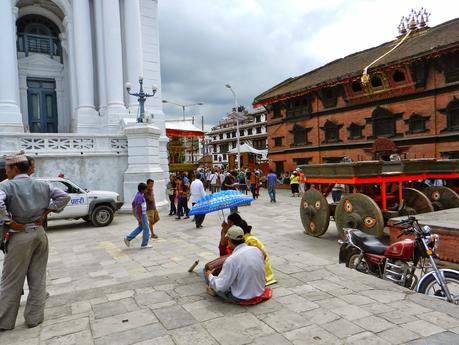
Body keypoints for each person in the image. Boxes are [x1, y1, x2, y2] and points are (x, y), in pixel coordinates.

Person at [0, 152, 70, 331]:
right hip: (39, 233)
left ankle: (4, 322)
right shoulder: (43, 185)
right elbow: (63, 197)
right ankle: (34, 318)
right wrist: (48, 211)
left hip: (19, 235)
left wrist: (8, 220)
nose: (5, 171)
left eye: (7, 168)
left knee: (10, 280)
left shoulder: (7, 187)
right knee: (38, 278)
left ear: (14, 168)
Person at [204, 227, 265, 303]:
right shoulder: (256, 250)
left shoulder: (231, 260)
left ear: (229, 241)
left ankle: (213, 290)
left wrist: (209, 276)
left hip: (242, 297)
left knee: (209, 275)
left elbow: (221, 286)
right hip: (260, 291)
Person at [226, 213, 276, 285]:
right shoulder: (243, 238)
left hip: (264, 275)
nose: (228, 226)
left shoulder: (249, 240)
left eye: (229, 224)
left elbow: (263, 256)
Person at [124, 183, 152, 249]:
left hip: (140, 214)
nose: (146, 190)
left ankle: (128, 238)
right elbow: (139, 208)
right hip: (142, 214)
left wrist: (134, 211)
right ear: (142, 190)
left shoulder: (138, 194)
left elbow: (133, 203)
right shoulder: (140, 197)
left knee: (141, 227)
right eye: (146, 189)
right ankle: (144, 244)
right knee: (146, 228)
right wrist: (139, 218)